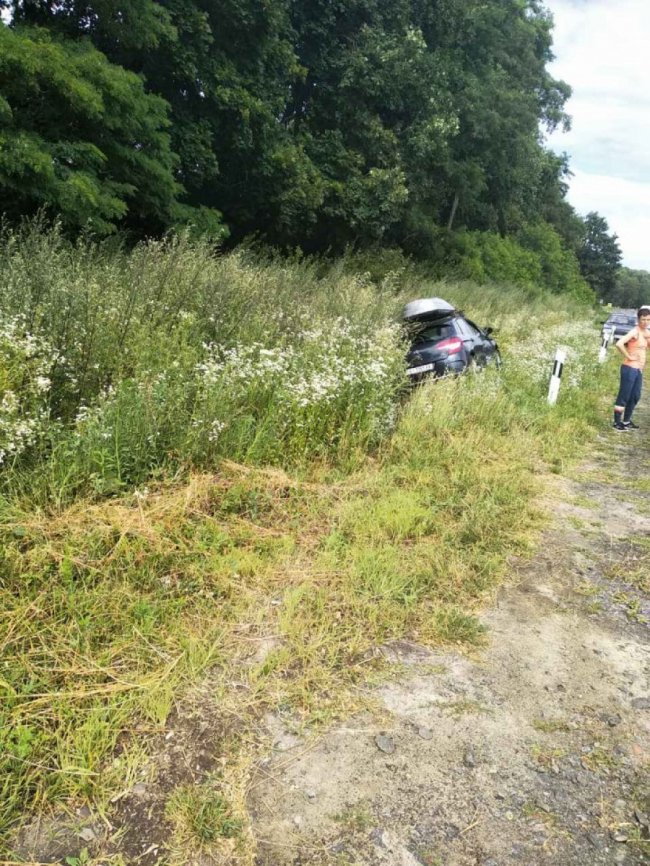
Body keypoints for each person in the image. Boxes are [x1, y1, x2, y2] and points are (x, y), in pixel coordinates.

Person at [613, 306, 650, 430]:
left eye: (648, 320)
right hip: (629, 368)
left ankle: (626, 421)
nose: (645, 322)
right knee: (624, 395)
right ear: (638, 319)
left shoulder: (646, 333)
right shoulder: (635, 331)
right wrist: (629, 356)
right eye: (643, 319)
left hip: (638, 370)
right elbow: (619, 343)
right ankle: (616, 422)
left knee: (635, 396)